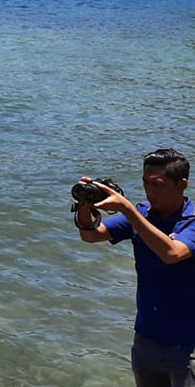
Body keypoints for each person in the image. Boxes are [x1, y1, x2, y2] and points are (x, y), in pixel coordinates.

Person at [75, 148, 195, 387]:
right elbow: (91, 236)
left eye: (157, 184)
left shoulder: (191, 220)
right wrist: (85, 207)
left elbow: (172, 253)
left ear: (182, 184)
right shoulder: (142, 213)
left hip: (188, 345)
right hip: (146, 339)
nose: (150, 191)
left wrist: (127, 209)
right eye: (145, 183)